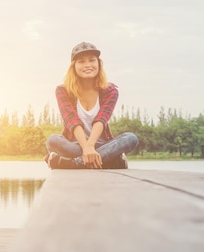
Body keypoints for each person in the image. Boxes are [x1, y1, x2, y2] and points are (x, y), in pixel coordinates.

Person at [45, 41, 138, 169]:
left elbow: (101, 119)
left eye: (92, 60)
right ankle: (110, 161)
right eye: (81, 61)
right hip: (75, 146)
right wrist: (86, 148)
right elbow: (72, 121)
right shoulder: (63, 91)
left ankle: (74, 163)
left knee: (130, 138)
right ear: (74, 66)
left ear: (98, 64)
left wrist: (91, 147)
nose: (87, 65)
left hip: (103, 146)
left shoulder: (110, 91)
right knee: (52, 140)